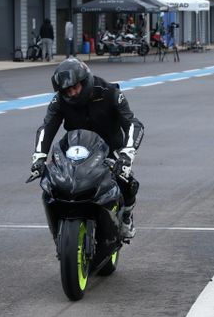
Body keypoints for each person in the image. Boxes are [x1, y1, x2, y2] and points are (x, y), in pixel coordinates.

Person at [30, 58, 144, 239]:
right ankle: (61, 222)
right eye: (67, 90)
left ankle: (126, 216)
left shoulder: (110, 93)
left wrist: (127, 154)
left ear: (85, 81)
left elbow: (133, 124)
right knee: (54, 182)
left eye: (75, 87)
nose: (72, 93)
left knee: (127, 181)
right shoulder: (59, 100)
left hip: (110, 149)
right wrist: (39, 157)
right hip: (76, 149)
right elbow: (47, 127)